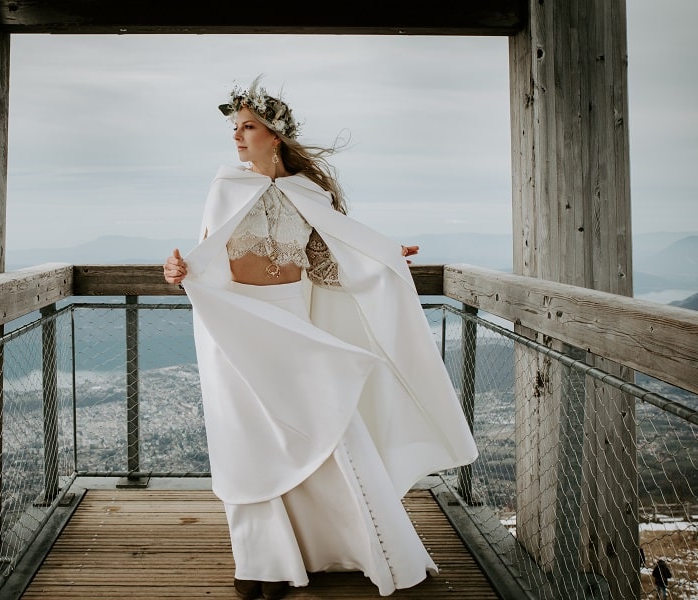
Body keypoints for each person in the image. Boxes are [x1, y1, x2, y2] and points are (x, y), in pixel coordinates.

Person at [163, 75, 478, 599]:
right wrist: (174, 270)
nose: (237, 137)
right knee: (249, 441)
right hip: (236, 327)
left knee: (331, 428)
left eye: (248, 127)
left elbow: (327, 266)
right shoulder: (225, 187)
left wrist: (381, 259)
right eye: (234, 128)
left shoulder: (309, 194)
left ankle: (349, 550)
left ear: (276, 135)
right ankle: (261, 563)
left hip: (293, 322)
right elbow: (203, 258)